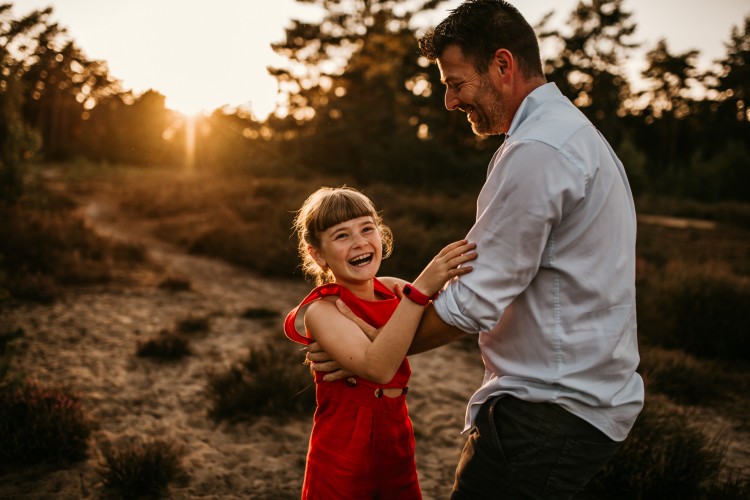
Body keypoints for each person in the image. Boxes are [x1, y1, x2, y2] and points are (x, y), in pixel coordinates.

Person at [307, 1, 645, 498]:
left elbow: (473, 300)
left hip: (546, 410)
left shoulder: (539, 151)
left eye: (455, 82)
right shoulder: (569, 135)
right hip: (575, 399)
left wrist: (366, 352)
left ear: (502, 65)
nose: (449, 101)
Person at [284, 186, 477, 500]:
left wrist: (378, 333)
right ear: (317, 254)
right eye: (341, 235)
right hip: (345, 444)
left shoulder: (393, 290)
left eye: (367, 228)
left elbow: (448, 323)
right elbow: (378, 368)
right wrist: (421, 290)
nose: (360, 241)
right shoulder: (323, 310)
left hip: (397, 433)